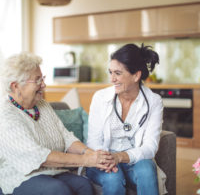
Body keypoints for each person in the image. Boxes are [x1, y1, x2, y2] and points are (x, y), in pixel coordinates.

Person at [0, 52, 114, 195]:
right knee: (58, 190)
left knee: (83, 185)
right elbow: (38, 156)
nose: (43, 84)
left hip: (51, 171)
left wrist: (95, 156)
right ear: (15, 86)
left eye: (42, 78)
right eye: (37, 80)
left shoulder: (42, 105)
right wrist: (87, 160)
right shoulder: (5, 115)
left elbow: (66, 137)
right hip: (20, 176)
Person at [86, 43, 164, 195]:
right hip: (103, 158)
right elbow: (93, 141)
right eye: (110, 72)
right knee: (113, 178)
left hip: (133, 159)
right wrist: (108, 159)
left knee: (147, 170)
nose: (112, 79)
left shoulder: (154, 101)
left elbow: (150, 147)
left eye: (118, 73)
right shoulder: (101, 98)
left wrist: (120, 157)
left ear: (136, 75)